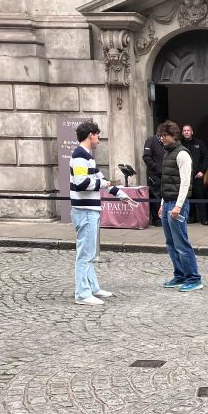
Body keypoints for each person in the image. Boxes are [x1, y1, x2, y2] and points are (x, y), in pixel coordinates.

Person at [69, 120, 136, 306]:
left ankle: (92, 287)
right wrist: (103, 184)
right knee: (85, 254)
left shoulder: (87, 156)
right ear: (90, 135)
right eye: (97, 135)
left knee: (88, 252)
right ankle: (82, 294)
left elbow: (100, 178)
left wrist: (122, 196)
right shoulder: (80, 156)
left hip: (88, 210)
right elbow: (82, 184)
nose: (99, 139)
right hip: (85, 210)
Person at [157, 120, 203, 292]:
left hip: (177, 204)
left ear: (173, 136)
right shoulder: (167, 153)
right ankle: (180, 274)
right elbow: (167, 182)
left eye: (164, 135)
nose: (161, 138)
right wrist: (163, 203)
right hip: (168, 202)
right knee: (171, 243)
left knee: (181, 243)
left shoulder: (182, 154)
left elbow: (185, 182)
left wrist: (178, 205)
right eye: (161, 135)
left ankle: (194, 277)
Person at [181, 123, 208, 225]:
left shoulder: (199, 143)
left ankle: (203, 218)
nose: (186, 132)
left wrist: (202, 171)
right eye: (184, 130)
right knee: (188, 197)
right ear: (182, 133)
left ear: (192, 132)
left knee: (200, 196)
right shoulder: (180, 144)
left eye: (188, 130)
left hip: (197, 176)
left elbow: (206, 158)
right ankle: (191, 218)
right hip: (185, 176)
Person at [142, 130, 165, 226]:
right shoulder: (151, 140)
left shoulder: (165, 143)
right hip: (153, 174)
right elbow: (146, 157)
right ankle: (156, 219)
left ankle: (162, 217)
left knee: (163, 195)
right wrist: (156, 166)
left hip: (163, 174)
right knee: (155, 196)